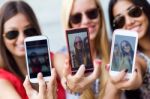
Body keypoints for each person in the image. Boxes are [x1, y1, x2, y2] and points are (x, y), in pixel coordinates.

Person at [0, 1, 57, 99]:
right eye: (12, 33)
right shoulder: (2, 81)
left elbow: (67, 74)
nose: (22, 39)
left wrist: (71, 81)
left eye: (29, 31)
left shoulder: (53, 60)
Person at [61, 0, 110, 98]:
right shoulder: (61, 57)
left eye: (92, 13)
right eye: (76, 18)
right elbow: (64, 78)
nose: (85, 21)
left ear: (100, 14)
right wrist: (68, 83)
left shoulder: (115, 49)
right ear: (69, 22)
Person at [109, 0, 150, 98]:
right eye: (120, 20)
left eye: (134, 12)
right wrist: (129, 79)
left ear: (145, 9)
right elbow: (136, 70)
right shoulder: (135, 57)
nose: (129, 22)